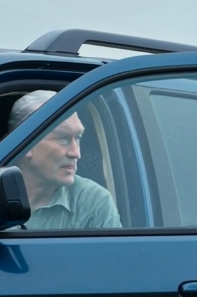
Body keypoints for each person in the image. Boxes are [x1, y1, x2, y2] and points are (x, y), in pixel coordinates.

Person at [9, 90, 121, 230]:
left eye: (78, 138)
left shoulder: (93, 202)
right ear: (25, 143)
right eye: (63, 138)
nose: (76, 153)